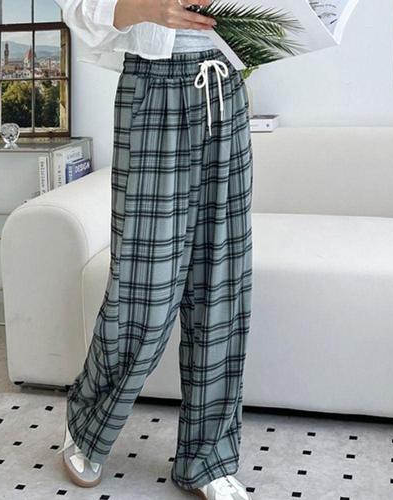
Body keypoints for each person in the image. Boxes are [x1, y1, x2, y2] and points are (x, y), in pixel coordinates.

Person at [57, 1, 254, 498]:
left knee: (220, 281)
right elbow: (78, 8)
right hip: (154, 85)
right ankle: (88, 425)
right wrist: (148, 7)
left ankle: (208, 457)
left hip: (226, 86)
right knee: (144, 288)